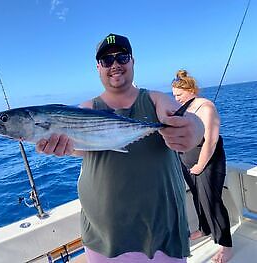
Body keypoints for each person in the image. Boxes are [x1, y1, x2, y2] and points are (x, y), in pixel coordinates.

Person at [36, 33, 204, 263]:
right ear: (98, 68)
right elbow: (83, 150)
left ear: (133, 61)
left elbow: (189, 121)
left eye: (122, 57)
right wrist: (63, 148)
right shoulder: (87, 108)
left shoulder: (155, 99)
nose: (114, 64)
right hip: (105, 233)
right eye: (106, 61)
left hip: (161, 227)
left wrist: (194, 129)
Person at [172, 69, 233, 263]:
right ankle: (205, 228)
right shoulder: (184, 108)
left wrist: (200, 165)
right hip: (187, 161)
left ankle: (225, 245)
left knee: (211, 201)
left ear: (191, 90)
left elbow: (211, 141)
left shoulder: (206, 107)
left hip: (207, 163)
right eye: (174, 96)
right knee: (198, 197)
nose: (176, 99)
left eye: (179, 95)